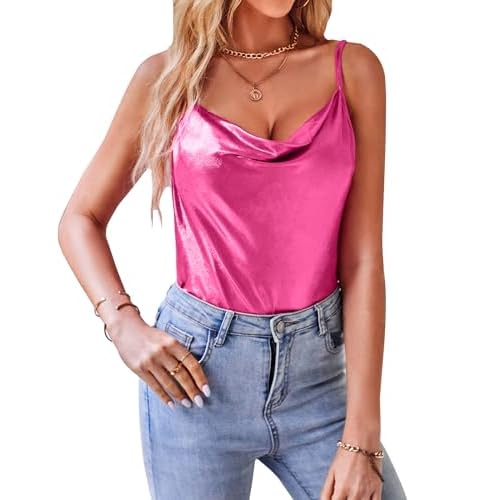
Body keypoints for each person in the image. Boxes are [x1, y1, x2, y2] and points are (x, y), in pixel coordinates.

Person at [58, 1, 408, 499]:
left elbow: (363, 260)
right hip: (195, 380)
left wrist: (362, 438)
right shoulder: (167, 78)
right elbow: (80, 218)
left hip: (320, 381)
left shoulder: (353, 70)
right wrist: (122, 325)